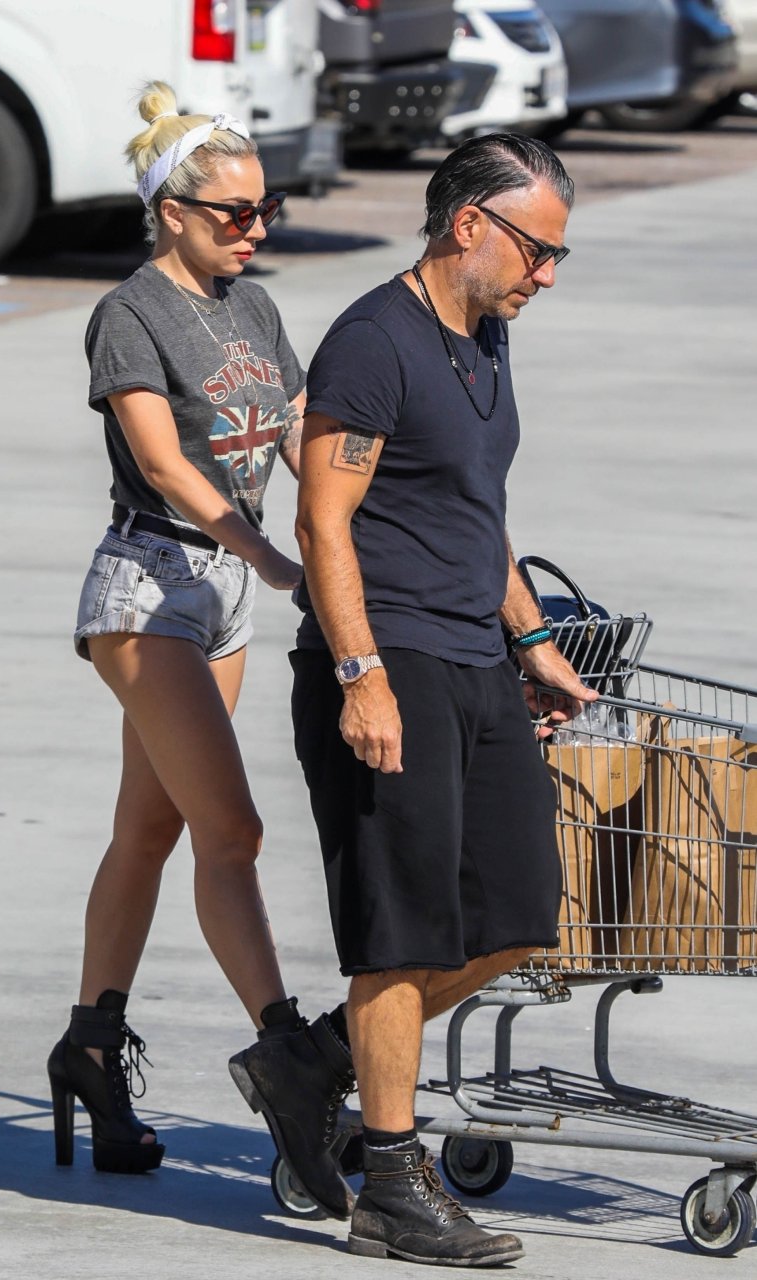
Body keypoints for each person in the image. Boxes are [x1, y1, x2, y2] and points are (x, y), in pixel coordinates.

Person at [287, 134, 598, 1265]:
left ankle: (315, 1060)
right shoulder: (374, 341)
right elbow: (321, 520)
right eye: (537, 249)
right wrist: (359, 675)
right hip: (391, 658)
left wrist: (532, 636)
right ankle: (389, 1182)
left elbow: (476, 505)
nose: (545, 275)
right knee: (401, 930)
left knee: (517, 916)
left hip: (475, 654)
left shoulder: (486, 336)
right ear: (469, 223)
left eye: (557, 255)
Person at [47, 81, 353, 1219]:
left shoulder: (253, 306)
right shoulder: (129, 312)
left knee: (151, 829)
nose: (254, 226)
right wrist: (267, 551)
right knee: (233, 830)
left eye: (265, 207)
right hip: (149, 589)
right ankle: (288, 1054)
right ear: (170, 211)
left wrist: (370, 508)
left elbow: (309, 428)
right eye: (233, 211)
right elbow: (165, 461)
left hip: (222, 593)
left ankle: (90, 1044)